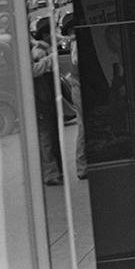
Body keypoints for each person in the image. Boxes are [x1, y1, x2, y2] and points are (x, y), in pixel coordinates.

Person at [30, 18, 64, 186]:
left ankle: (55, 170)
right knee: (46, 136)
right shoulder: (38, 51)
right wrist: (49, 59)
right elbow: (34, 71)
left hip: (44, 94)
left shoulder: (35, 48)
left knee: (49, 134)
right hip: (40, 95)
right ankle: (51, 173)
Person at [61, 16, 88, 180]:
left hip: (77, 84)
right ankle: (82, 166)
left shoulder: (74, 42)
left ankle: (83, 165)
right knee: (83, 126)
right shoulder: (77, 44)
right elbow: (77, 61)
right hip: (78, 86)